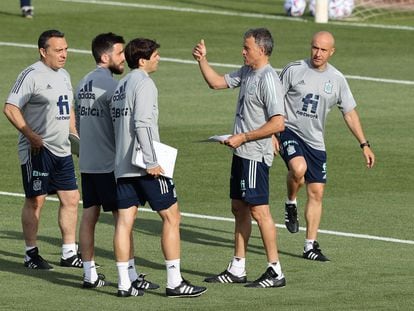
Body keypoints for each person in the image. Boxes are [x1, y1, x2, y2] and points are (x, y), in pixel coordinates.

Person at [111, 37, 207, 298]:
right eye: (155, 55)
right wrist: (153, 162)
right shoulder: (144, 83)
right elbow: (142, 124)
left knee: (124, 223)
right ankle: (175, 282)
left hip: (122, 165)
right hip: (145, 165)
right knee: (172, 217)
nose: (158, 58)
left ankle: (123, 284)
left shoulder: (121, 86)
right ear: (142, 60)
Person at [192, 28, 286, 288]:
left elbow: (278, 123)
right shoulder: (247, 72)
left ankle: (275, 270)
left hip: (255, 154)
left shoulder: (268, 79)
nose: (242, 51)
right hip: (241, 153)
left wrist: (243, 137)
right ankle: (237, 268)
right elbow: (216, 82)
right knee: (238, 207)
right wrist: (202, 60)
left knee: (259, 210)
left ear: (262, 50)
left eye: (247, 48)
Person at [278, 31, 375, 262]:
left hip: (315, 140)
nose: (317, 53)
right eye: (314, 48)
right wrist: (272, 133)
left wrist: (364, 144)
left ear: (331, 52)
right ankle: (290, 202)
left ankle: (310, 246)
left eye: (323, 50)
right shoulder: (293, 69)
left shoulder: (337, 79)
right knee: (298, 169)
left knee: (317, 192)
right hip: (288, 130)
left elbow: (349, 113)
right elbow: (273, 100)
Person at [75, 32, 159, 291]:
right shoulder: (113, 87)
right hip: (110, 163)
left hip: (87, 161)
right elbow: (121, 126)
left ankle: (90, 275)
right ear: (105, 56)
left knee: (89, 216)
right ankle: (130, 275)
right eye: (120, 53)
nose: (124, 58)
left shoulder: (81, 84)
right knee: (124, 221)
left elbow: (77, 123)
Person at [3, 29, 83, 270]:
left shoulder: (65, 75)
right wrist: (31, 135)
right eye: (58, 50)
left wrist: (74, 135)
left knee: (71, 198)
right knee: (36, 200)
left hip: (62, 150)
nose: (64, 54)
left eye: (66, 49)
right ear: (43, 51)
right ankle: (31, 254)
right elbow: (10, 108)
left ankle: (69, 253)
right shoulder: (31, 75)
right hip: (37, 151)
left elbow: (68, 109)